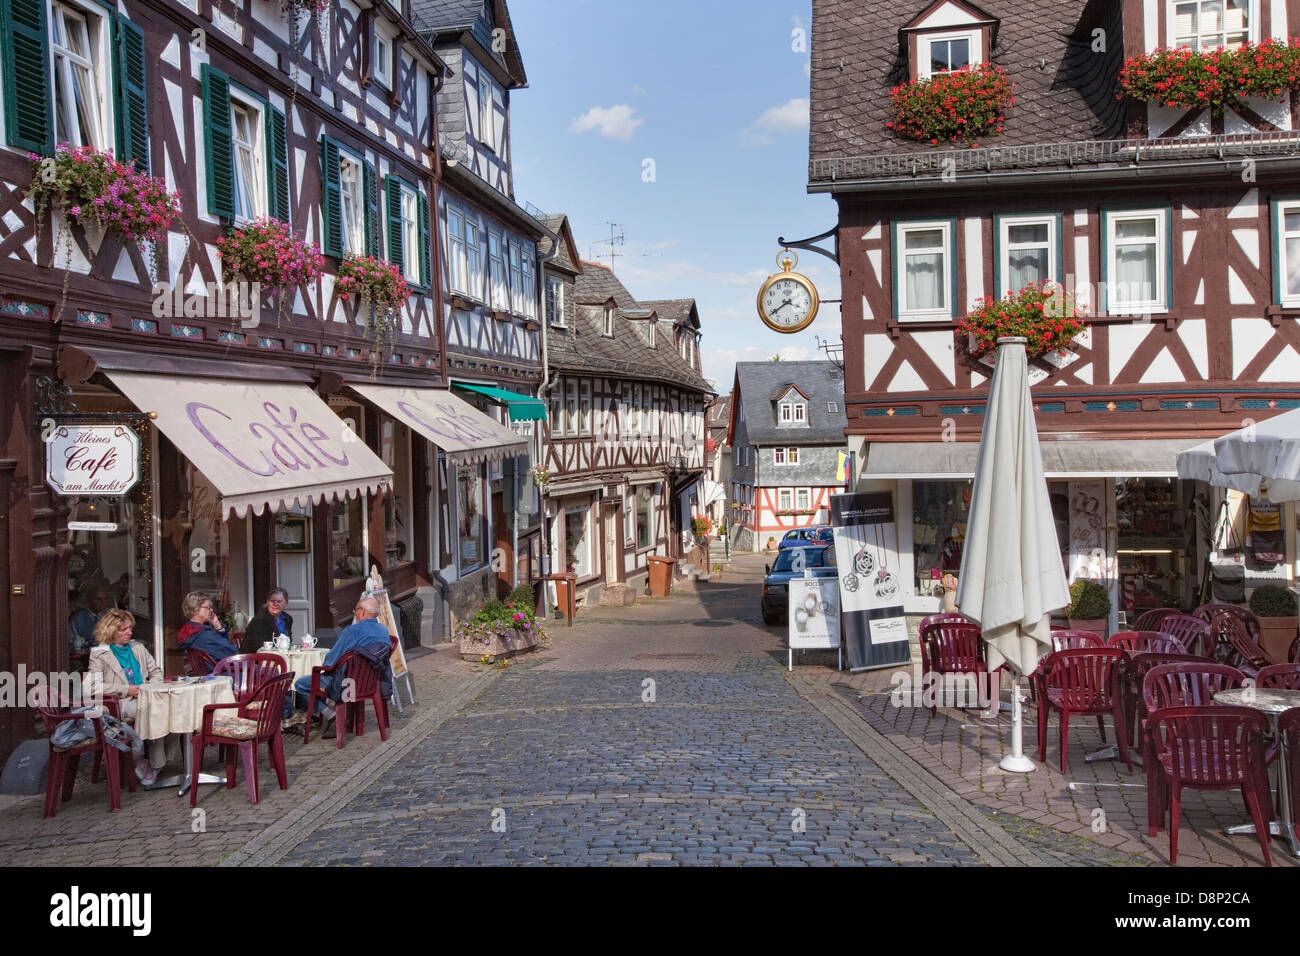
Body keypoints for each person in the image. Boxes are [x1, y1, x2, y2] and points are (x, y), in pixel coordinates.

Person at [85, 609, 167, 784]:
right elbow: (91, 686)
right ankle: (149, 761)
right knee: (154, 711)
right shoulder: (100, 655)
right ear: (111, 631)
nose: (129, 632)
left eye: (130, 628)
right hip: (121, 703)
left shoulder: (138, 648)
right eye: (124, 629)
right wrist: (126, 690)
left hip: (146, 696)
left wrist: (149, 688)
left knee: (173, 709)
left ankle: (156, 762)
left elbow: (156, 672)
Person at [289, 596, 390, 731]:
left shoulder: (352, 631)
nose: (355, 613)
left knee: (300, 683)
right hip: (371, 682)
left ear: (363, 612)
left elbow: (330, 662)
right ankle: (331, 706)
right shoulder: (383, 630)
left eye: (356, 610)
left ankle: (330, 714)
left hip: (347, 682)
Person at [176, 591, 237, 672]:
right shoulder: (205, 635)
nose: (211, 610)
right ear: (196, 610)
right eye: (208, 607)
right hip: (224, 675)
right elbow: (233, 653)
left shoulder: (189, 632)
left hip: (209, 674)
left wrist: (218, 626)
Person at [241, 588, 293, 654]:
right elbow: (260, 645)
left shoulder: (287, 618)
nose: (275, 604)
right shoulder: (260, 620)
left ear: (286, 603)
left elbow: (288, 639)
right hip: (256, 657)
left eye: (279, 601)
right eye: (272, 601)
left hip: (280, 654)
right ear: (268, 603)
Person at [69, 584, 111, 658]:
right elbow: (70, 642)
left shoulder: (111, 616)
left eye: (105, 598)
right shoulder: (78, 617)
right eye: (98, 599)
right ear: (89, 600)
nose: (103, 602)